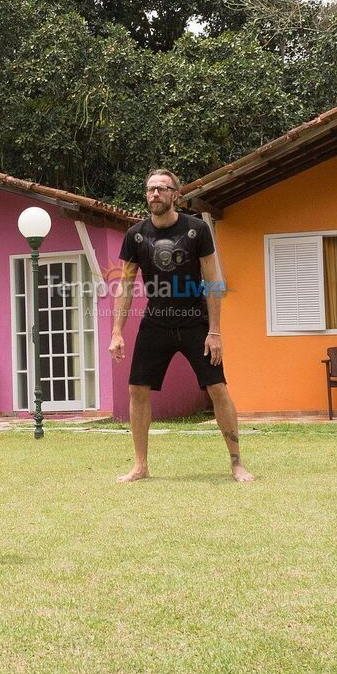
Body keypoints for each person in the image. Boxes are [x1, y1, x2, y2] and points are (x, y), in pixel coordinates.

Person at [108, 168, 253, 483]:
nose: (155, 194)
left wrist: (215, 331)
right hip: (155, 322)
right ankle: (140, 466)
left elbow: (213, 281)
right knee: (137, 389)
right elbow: (125, 285)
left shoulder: (197, 229)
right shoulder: (135, 235)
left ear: (176, 195)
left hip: (195, 322)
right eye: (150, 189)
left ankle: (237, 462)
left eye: (162, 188)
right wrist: (117, 332)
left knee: (217, 387)